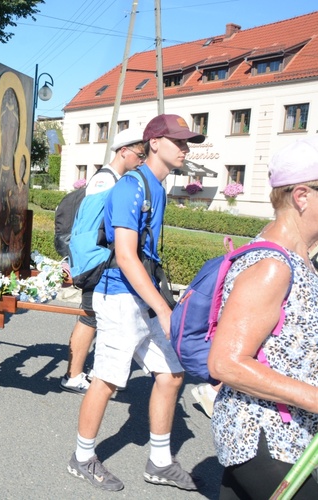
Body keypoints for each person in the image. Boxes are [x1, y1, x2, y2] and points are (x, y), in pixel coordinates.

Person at [67, 115, 204, 492]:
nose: (186, 149)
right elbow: (126, 255)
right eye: (179, 142)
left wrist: (160, 302)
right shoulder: (131, 187)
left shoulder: (155, 187)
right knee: (108, 379)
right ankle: (81, 458)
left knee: (172, 373)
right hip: (119, 296)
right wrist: (163, 308)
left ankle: (159, 461)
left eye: (187, 143)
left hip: (140, 295)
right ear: (155, 143)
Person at [208, 137, 318, 499]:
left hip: (288, 435)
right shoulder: (273, 265)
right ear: (301, 196)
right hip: (264, 438)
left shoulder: (301, 259)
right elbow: (226, 362)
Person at [60, 127, 145, 394]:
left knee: (99, 316)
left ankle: (95, 372)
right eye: (140, 154)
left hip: (100, 258)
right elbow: (85, 229)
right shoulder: (105, 181)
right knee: (90, 316)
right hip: (97, 260)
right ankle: (73, 376)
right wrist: (88, 264)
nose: (142, 160)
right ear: (124, 152)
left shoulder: (113, 180)